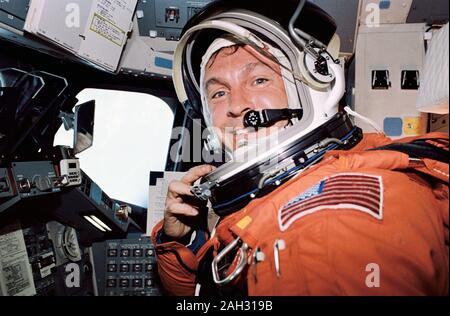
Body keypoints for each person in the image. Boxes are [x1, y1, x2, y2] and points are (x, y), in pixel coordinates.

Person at [151, 0, 449, 296]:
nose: (235, 106)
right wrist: (178, 241)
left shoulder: (331, 221)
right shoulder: (280, 194)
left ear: (312, 87)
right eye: (218, 92)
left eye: (258, 79)